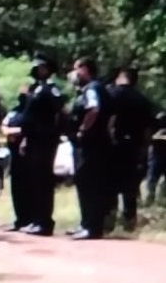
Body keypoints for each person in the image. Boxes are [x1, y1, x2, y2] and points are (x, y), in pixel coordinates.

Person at [67, 58, 113, 240]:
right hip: (96, 143)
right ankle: (86, 223)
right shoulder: (93, 88)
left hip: (91, 145)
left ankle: (92, 227)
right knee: (87, 184)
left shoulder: (92, 88)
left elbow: (94, 109)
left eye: (76, 68)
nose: (74, 73)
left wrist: (83, 129)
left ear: (85, 69)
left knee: (89, 184)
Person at [18, 56, 65, 236]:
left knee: (43, 181)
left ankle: (44, 221)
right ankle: (36, 219)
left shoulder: (49, 90)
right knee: (35, 181)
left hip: (44, 140)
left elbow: (60, 111)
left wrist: (53, 133)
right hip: (34, 140)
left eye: (39, 67)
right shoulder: (37, 89)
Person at [106, 67, 155, 231]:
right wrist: (144, 148)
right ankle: (129, 221)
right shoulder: (143, 100)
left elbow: (110, 120)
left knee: (110, 184)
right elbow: (148, 129)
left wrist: (109, 138)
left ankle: (109, 220)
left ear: (121, 77)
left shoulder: (112, 94)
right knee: (131, 186)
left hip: (114, 146)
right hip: (134, 146)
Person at [2, 89, 33, 231]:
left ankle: (29, 219)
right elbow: (4, 127)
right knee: (16, 188)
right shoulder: (13, 112)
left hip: (28, 155)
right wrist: (15, 131)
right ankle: (20, 220)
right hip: (14, 154)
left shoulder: (31, 112)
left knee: (28, 187)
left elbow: (30, 129)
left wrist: (16, 131)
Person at [147, 111, 166, 205]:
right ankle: (150, 200)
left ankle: (159, 200)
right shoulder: (153, 129)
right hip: (156, 158)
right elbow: (150, 139)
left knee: (153, 180)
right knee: (152, 180)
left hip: (159, 158)